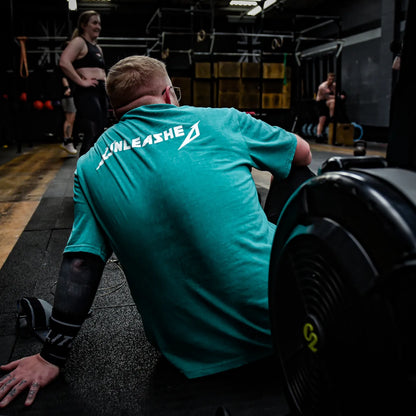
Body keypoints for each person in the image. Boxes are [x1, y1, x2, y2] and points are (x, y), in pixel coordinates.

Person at [0, 55, 312, 408]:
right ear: (168, 94)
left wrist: (50, 357)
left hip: (188, 351)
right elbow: (301, 154)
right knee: (295, 173)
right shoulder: (220, 119)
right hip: (286, 322)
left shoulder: (89, 165)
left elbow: (81, 263)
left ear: (115, 110)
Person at [59, 10, 107, 156]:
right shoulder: (79, 42)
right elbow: (64, 62)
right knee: (91, 131)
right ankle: (83, 173)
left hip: (100, 90)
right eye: (94, 23)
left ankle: (94, 171)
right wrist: (81, 81)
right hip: (87, 92)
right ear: (83, 25)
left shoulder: (98, 48)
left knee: (99, 132)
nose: (98, 26)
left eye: (99, 23)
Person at [315, 72, 342, 142]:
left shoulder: (333, 85)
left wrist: (338, 96)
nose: (331, 81)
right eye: (330, 79)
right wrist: (339, 97)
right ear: (327, 78)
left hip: (328, 101)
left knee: (333, 102)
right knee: (322, 119)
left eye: (332, 79)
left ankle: (332, 117)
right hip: (321, 102)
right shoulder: (323, 87)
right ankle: (318, 135)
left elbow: (336, 94)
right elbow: (328, 97)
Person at [59, 75, 77, 155]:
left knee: (71, 119)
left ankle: (68, 141)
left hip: (70, 94)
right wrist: (67, 88)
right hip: (68, 95)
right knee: (69, 119)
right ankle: (67, 142)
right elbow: (63, 76)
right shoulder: (65, 66)